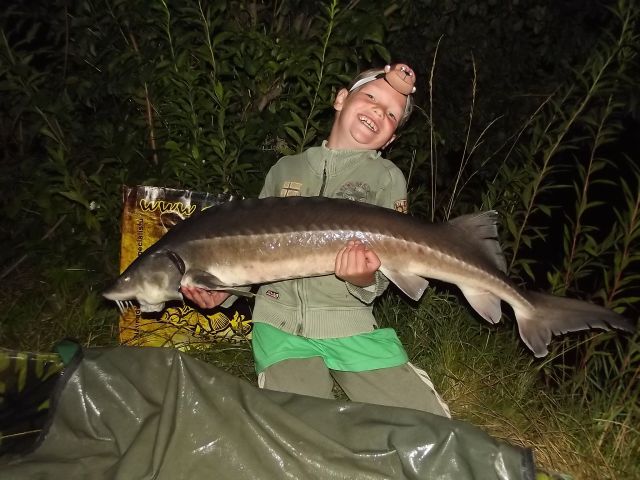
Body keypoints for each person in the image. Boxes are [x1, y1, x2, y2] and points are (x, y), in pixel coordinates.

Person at [182, 63, 450, 417]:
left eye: (391, 114)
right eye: (370, 96)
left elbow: (394, 261)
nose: (377, 112)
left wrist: (364, 279)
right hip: (279, 325)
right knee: (301, 427)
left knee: (428, 421)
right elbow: (249, 245)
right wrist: (223, 289)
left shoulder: (387, 178)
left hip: (350, 322)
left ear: (390, 139)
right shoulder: (284, 169)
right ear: (341, 99)